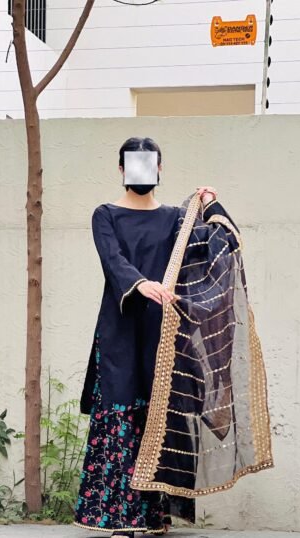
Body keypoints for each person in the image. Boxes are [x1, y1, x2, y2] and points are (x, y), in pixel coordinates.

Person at [72, 137, 222, 536]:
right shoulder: (105, 215)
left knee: (158, 415)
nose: (141, 171)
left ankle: (155, 516)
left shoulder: (176, 219)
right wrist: (140, 284)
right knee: (121, 411)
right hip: (119, 330)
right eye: (134, 164)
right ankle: (118, 518)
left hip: (163, 331)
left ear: (159, 168)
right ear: (121, 170)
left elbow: (206, 251)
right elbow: (113, 260)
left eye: (149, 164)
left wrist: (208, 206)